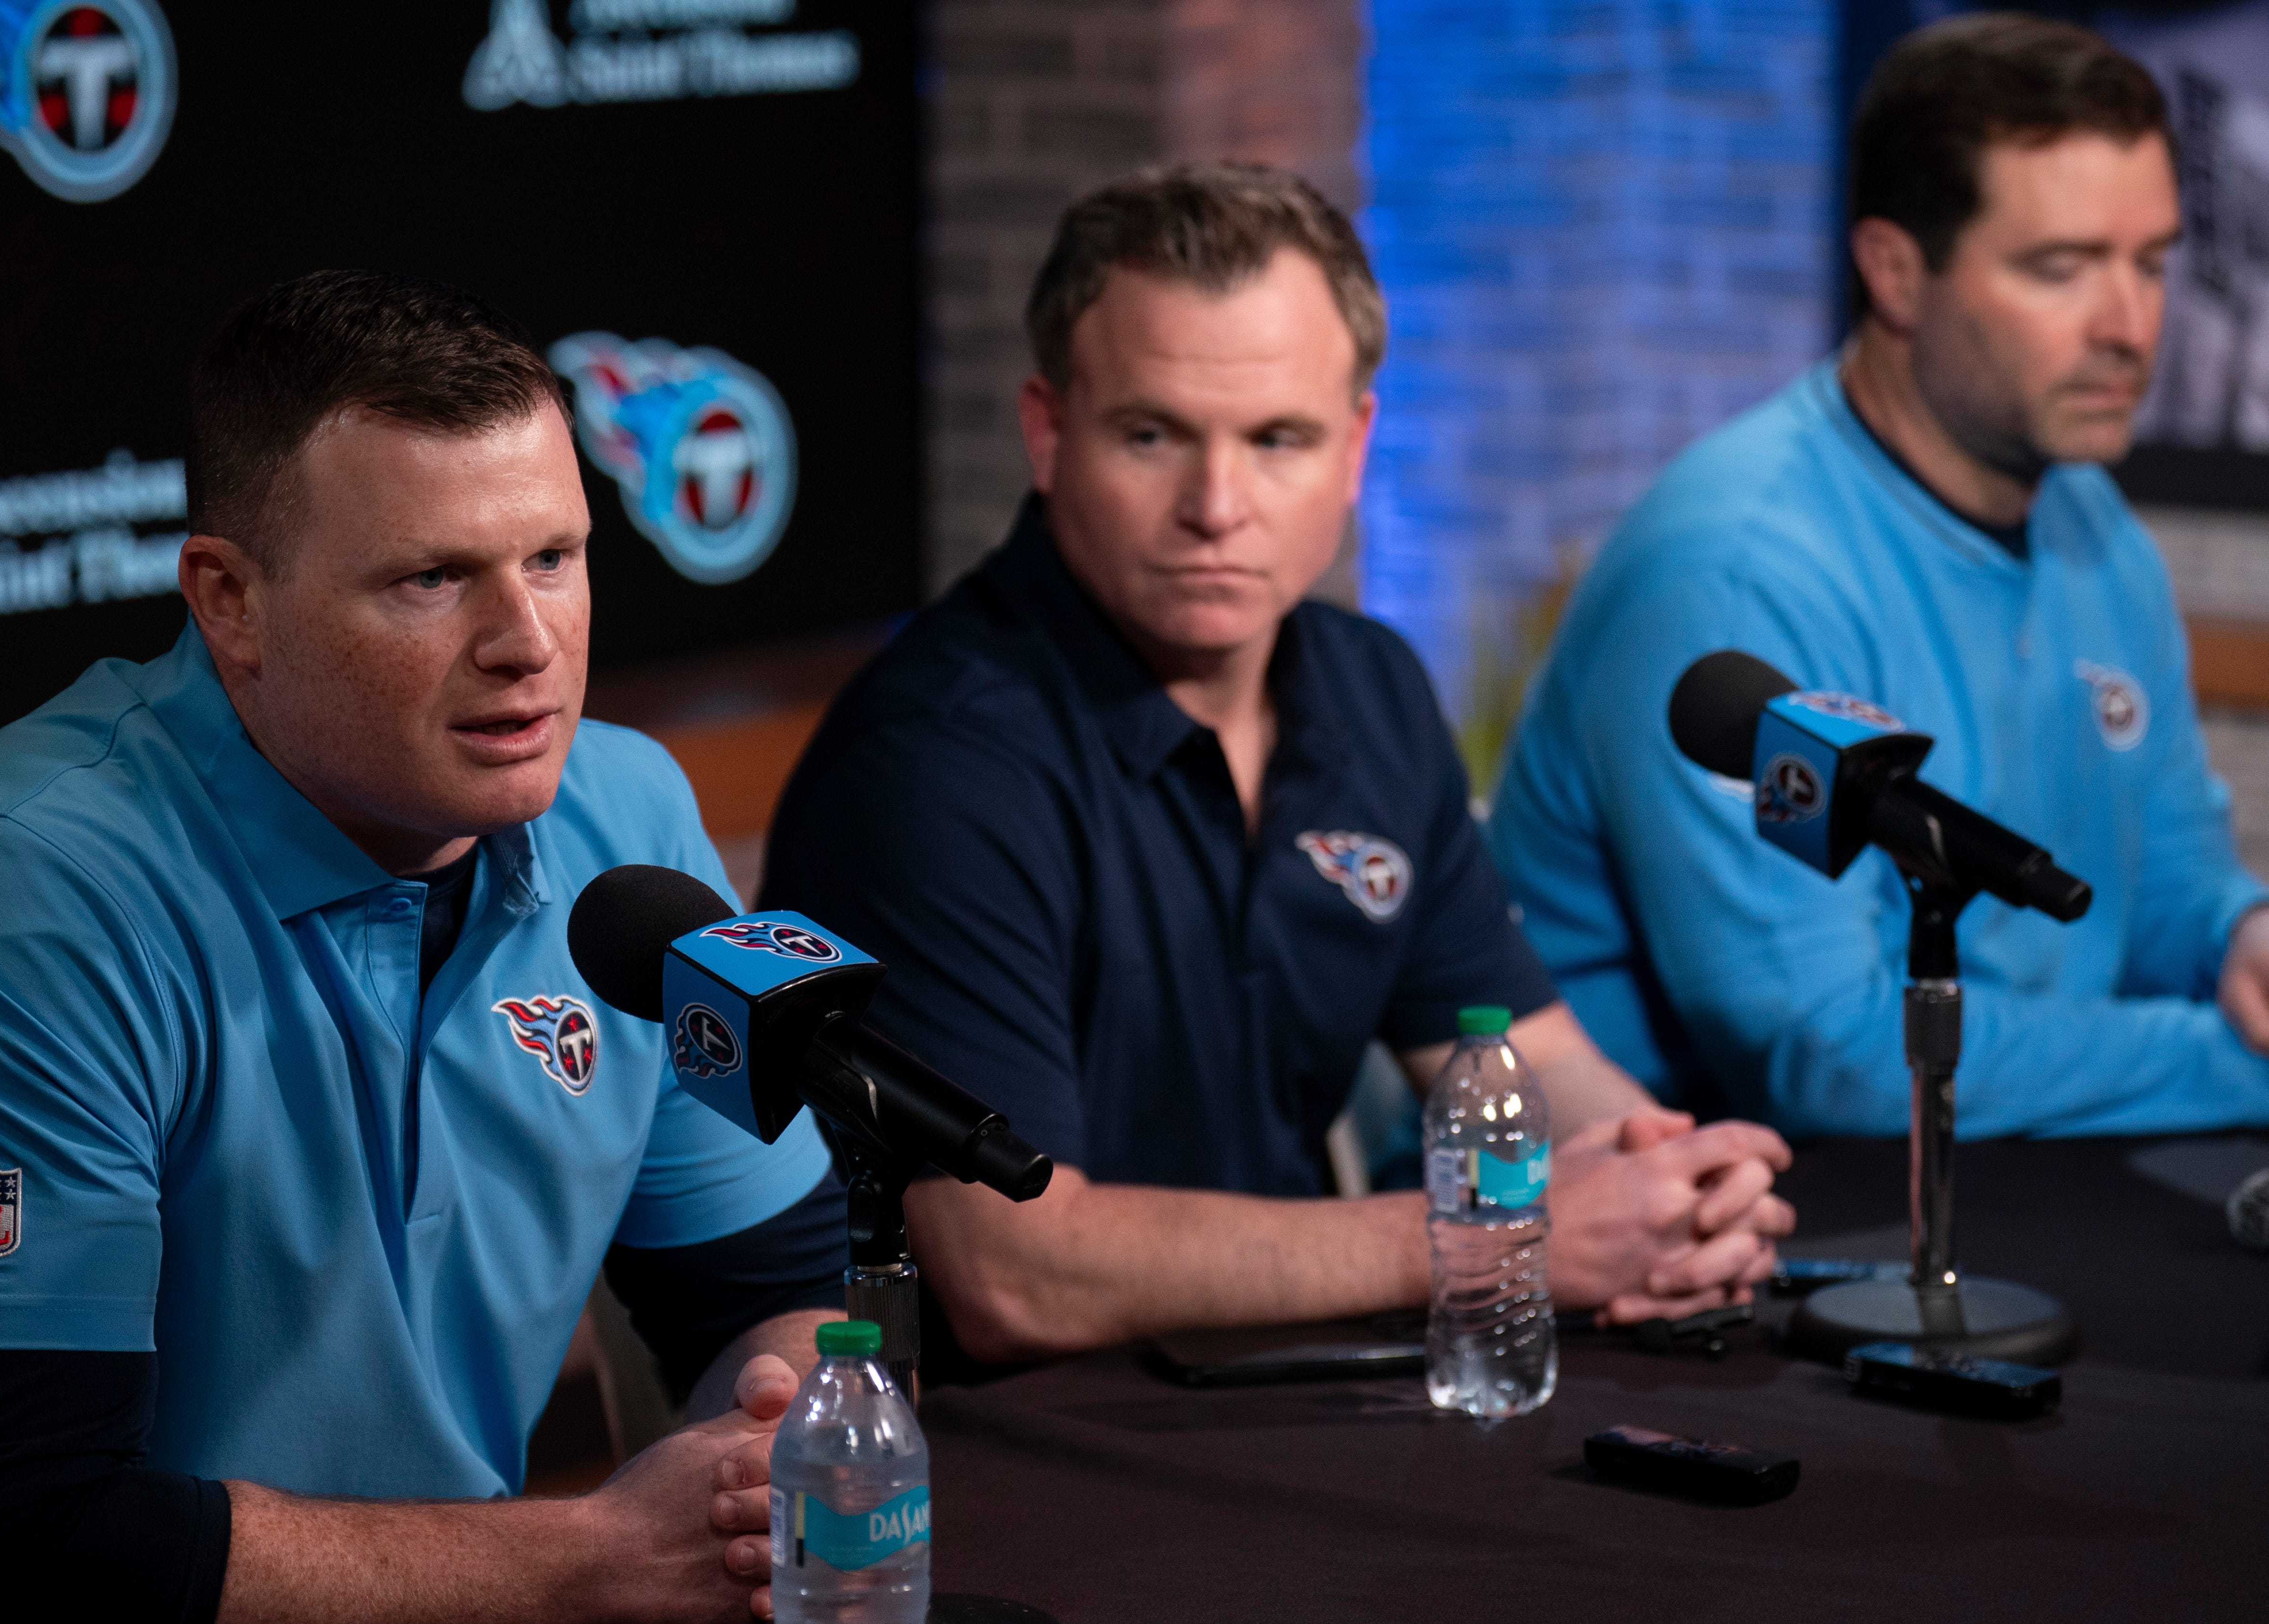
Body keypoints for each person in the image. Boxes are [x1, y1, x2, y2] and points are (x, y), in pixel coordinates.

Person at [0, 272, 835, 1622]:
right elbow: (23, 1542)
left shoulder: (634, 816)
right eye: (433, 578)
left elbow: (771, 1287)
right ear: (229, 601)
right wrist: (596, 1557)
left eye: (553, 556)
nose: (527, 641)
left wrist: (781, 1441)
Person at [759, 163, 1796, 1376]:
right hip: (1001, 1461)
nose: (1217, 504)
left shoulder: (1368, 687)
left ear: (1355, 447)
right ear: (1048, 433)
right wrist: (1492, 1241)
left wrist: (1671, 1178)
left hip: (1292, 1388)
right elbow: (1015, 1273)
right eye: (1151, 435)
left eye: (1278, 439)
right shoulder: (932, 764)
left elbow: (1528, 1052)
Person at [1489, 14, 2269, 1138]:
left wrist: (2241, 941)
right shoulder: (1738, 573)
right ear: (1896, 273)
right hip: (1670, 1226)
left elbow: (2159, 893)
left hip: (1994, 1177)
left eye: (2149, 264)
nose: (2130, 326)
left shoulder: (2096, 528)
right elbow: (1834, 1050)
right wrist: (2240, 1068)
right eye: (2061, 269)